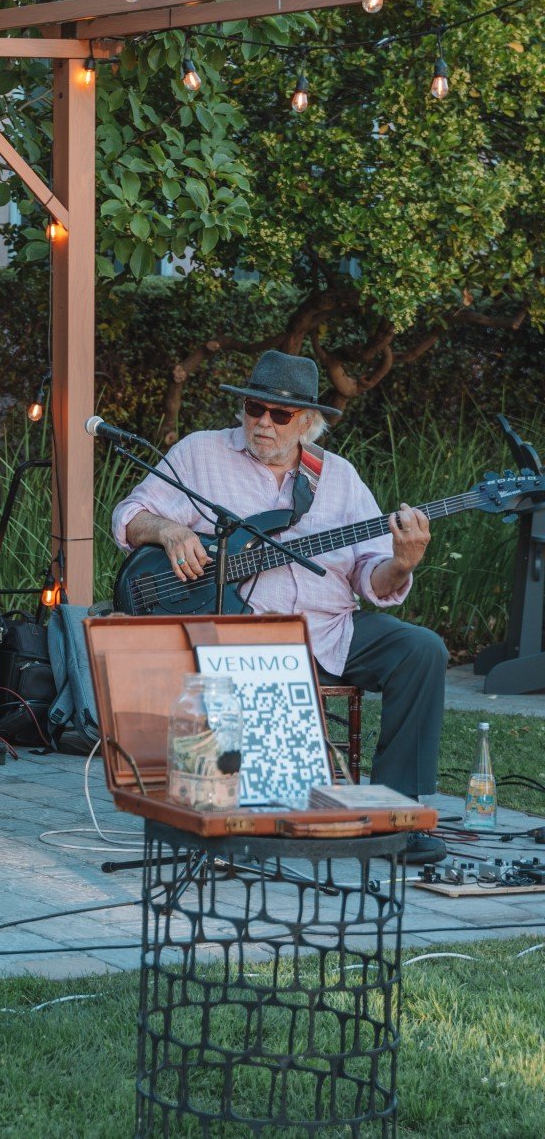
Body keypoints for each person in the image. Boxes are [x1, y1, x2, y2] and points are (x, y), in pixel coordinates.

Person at [110, 349, 447, 863]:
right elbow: (129, 515)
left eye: (280, 415)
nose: (262, 423)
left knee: (421, 650)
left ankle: (398, 814)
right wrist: (170, 529)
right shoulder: (201, 453)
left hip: (329, 628)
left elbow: (370, 574)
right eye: (253, 409)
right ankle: (251, 818)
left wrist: (402, 563)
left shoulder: (339, 477)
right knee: (255, 652)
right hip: (243, 632)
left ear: (308, 423)